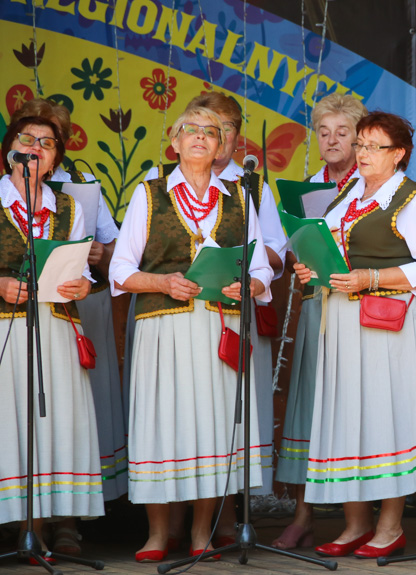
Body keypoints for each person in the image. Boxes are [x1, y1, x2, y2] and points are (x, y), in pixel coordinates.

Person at [110, 106, 273, 562]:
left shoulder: (240, 196)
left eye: (211, 132)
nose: (201, 137)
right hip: (163, 328)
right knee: (163, 424)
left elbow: (261, 267)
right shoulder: (149, 193)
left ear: (222, 147)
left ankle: (202, 532)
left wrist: (253, 284)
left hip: (218, 326)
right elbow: (121, 270)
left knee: (215, 429)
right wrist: (161, 281)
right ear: (174, 142)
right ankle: (159, 534)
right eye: (190, 130)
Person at [293, 111, 416, 559]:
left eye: (372, 146)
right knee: (351, 416)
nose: (361, 153)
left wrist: (370, 277)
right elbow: (332, 248)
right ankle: (355, 524)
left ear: (398, 154)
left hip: (388, 325)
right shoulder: (349, 194)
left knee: (387, 417)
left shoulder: (412, 199)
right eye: (360, 144)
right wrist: (313, 266)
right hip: (343, 323)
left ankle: (390, 525)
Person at [10, 98, 126, 555]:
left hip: (61, 320)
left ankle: (62, 523)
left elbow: (103, 256)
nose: (37, 148)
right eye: (28, 139)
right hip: (11, 325)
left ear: (59, 152)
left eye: (48, 141)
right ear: (11, 148)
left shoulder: (75, 200)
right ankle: (21, 524)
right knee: (15, 422)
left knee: (58, 417)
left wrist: (89, 271)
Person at [271, 93, 367, 550]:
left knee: (354, 407)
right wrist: (299, 261)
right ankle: (304, 514)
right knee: (311, 402)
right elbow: (294, 246)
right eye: (324, 132)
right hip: (318, 304)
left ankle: (361, 519)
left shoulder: (373, 183)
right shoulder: (308, 185)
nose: (331, 140)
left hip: (360, 304)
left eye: (342, 132)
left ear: (359, 136)